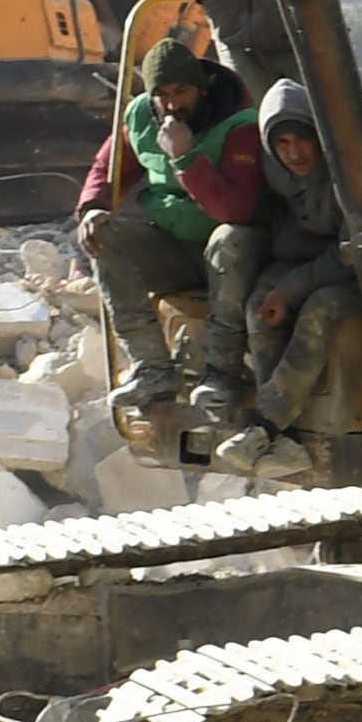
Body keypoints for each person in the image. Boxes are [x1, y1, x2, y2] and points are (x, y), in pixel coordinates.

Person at [74, 41, 269, 449]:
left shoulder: (238, 124)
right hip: (172, 245)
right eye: (161, 94)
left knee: (229, 241)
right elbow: (107, 167)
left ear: (200, 89)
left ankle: (222, 375)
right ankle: (152, 369)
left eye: (181, 92)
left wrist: (184, 159)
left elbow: (234, 208)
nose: (171, 103)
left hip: (232, 250)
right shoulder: (142, 117)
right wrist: (92, 207)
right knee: (106, 237)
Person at [205, 79, 355, 481]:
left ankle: (265, 427)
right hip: (304, 267)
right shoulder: (275, 174)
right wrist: (278, 288)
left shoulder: (350, 176)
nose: (294, 153)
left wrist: (292, 289)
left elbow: (353, 251)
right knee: (260, 309)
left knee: (319, 312)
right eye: (282, 142)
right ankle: (287, 439)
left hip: (359, 276)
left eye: (302, 139)